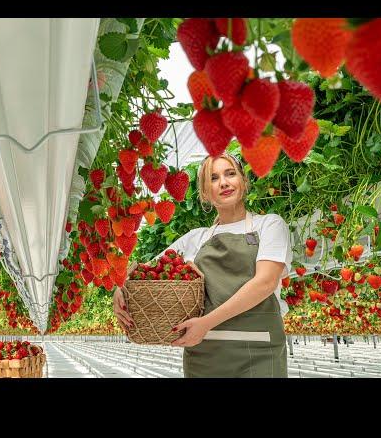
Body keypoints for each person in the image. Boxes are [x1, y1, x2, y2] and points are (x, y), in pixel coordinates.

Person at [113, 152, 292, 378]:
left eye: (230, 174)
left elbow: (265, 283)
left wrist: (206, 323)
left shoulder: (269, 225)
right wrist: (121, 289)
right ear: (205, 193)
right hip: (204, 357)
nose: (224, 183)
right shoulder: (196, 239)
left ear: (243, 181)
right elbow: (144, 273)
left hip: (259, 354)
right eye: (214, 178)